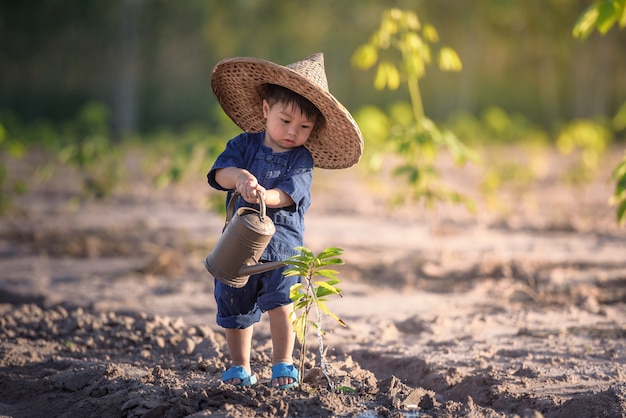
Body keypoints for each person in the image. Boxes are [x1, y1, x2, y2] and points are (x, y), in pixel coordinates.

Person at [207, 53, 363, 389]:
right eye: (285, 120)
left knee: (282, 303)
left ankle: (283, 365)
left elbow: (289, 195)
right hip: (239, 245)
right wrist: (239, 179)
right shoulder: (243, 145)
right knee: (234, 305)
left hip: (281, 248)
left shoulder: (301, 159)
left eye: (304, 127)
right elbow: (220, 173)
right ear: (266, 110)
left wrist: (264, 194)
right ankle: (239, 367)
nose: (293, 132)